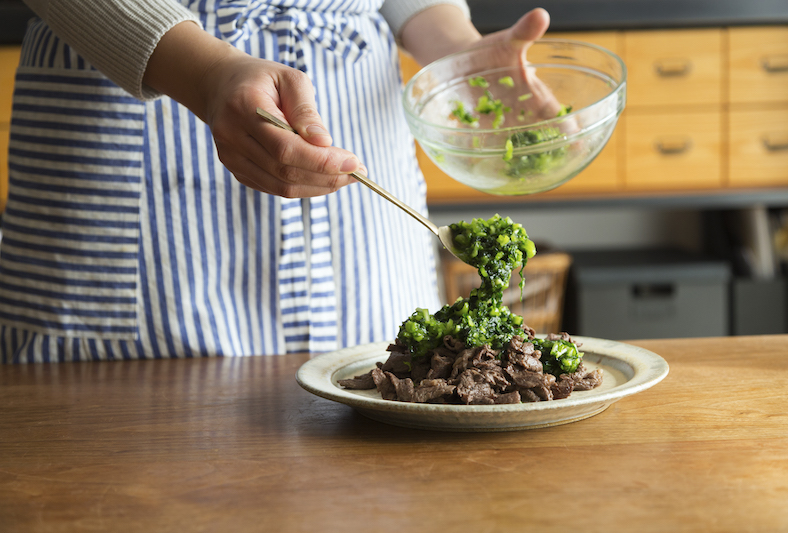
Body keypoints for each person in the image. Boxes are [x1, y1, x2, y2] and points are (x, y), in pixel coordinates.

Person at [0, 0, 551, 363]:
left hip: (350, 94)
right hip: (136, 73)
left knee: (376, 445)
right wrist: (205, 72)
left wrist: (453, 45)